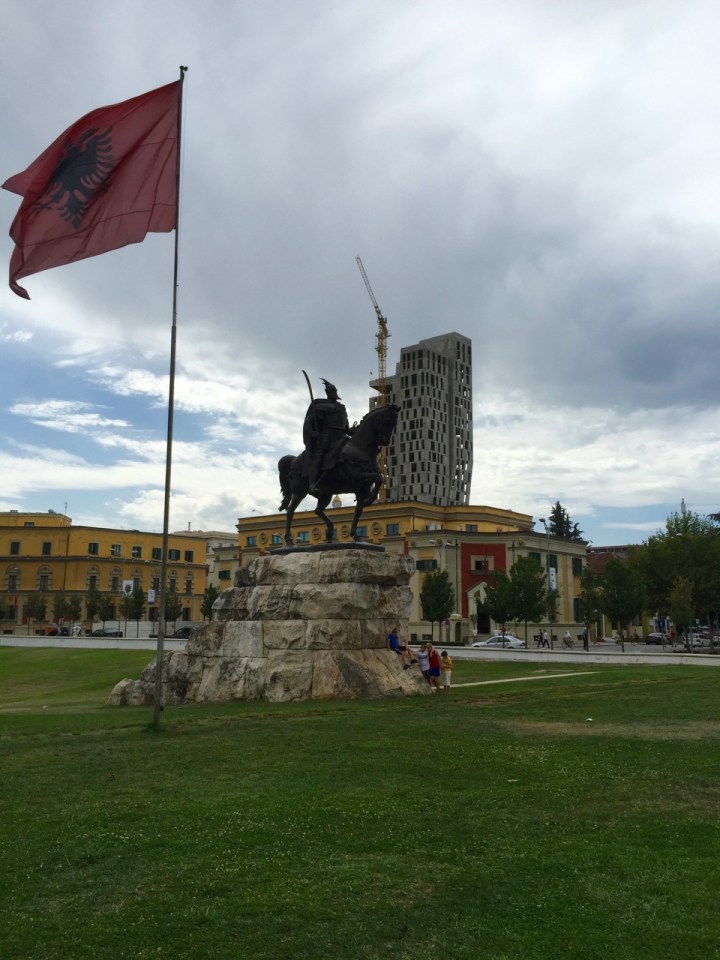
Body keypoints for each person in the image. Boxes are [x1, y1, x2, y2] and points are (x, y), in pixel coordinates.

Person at [302, 379, 352, 495]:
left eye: (335, 390)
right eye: (331, 390)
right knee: (318, 459)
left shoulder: (342, 408)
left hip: (342, 437)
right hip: (327, 438)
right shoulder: (320, 407)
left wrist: (354, 431)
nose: (334, 392)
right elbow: (308, 423)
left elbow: (347, 428)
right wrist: (313, 433)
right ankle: (312, 485)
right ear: (327, 392)